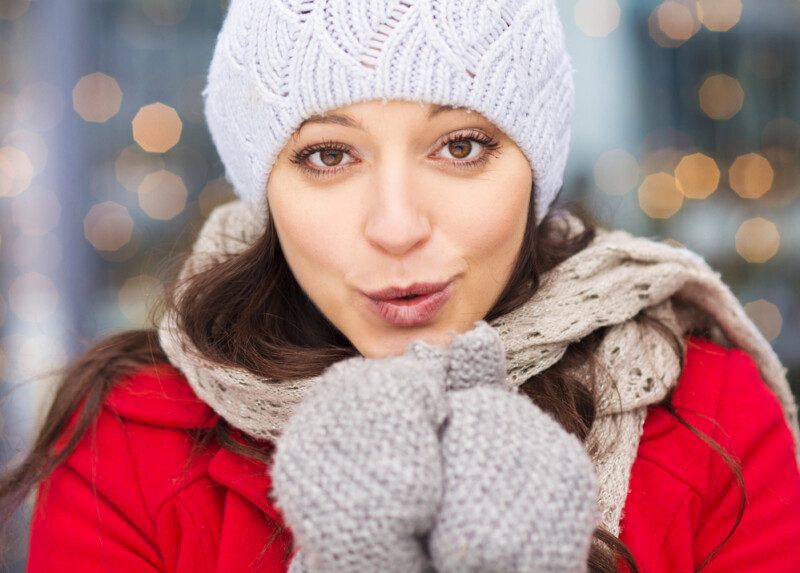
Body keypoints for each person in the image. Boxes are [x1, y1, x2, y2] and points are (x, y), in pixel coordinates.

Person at [1, 0, 799, 571]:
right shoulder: (133, 439)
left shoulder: (712, 418)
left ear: (535, 168)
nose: (395, 224)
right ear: (265, 185)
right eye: (327, 155)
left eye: (459, 145)